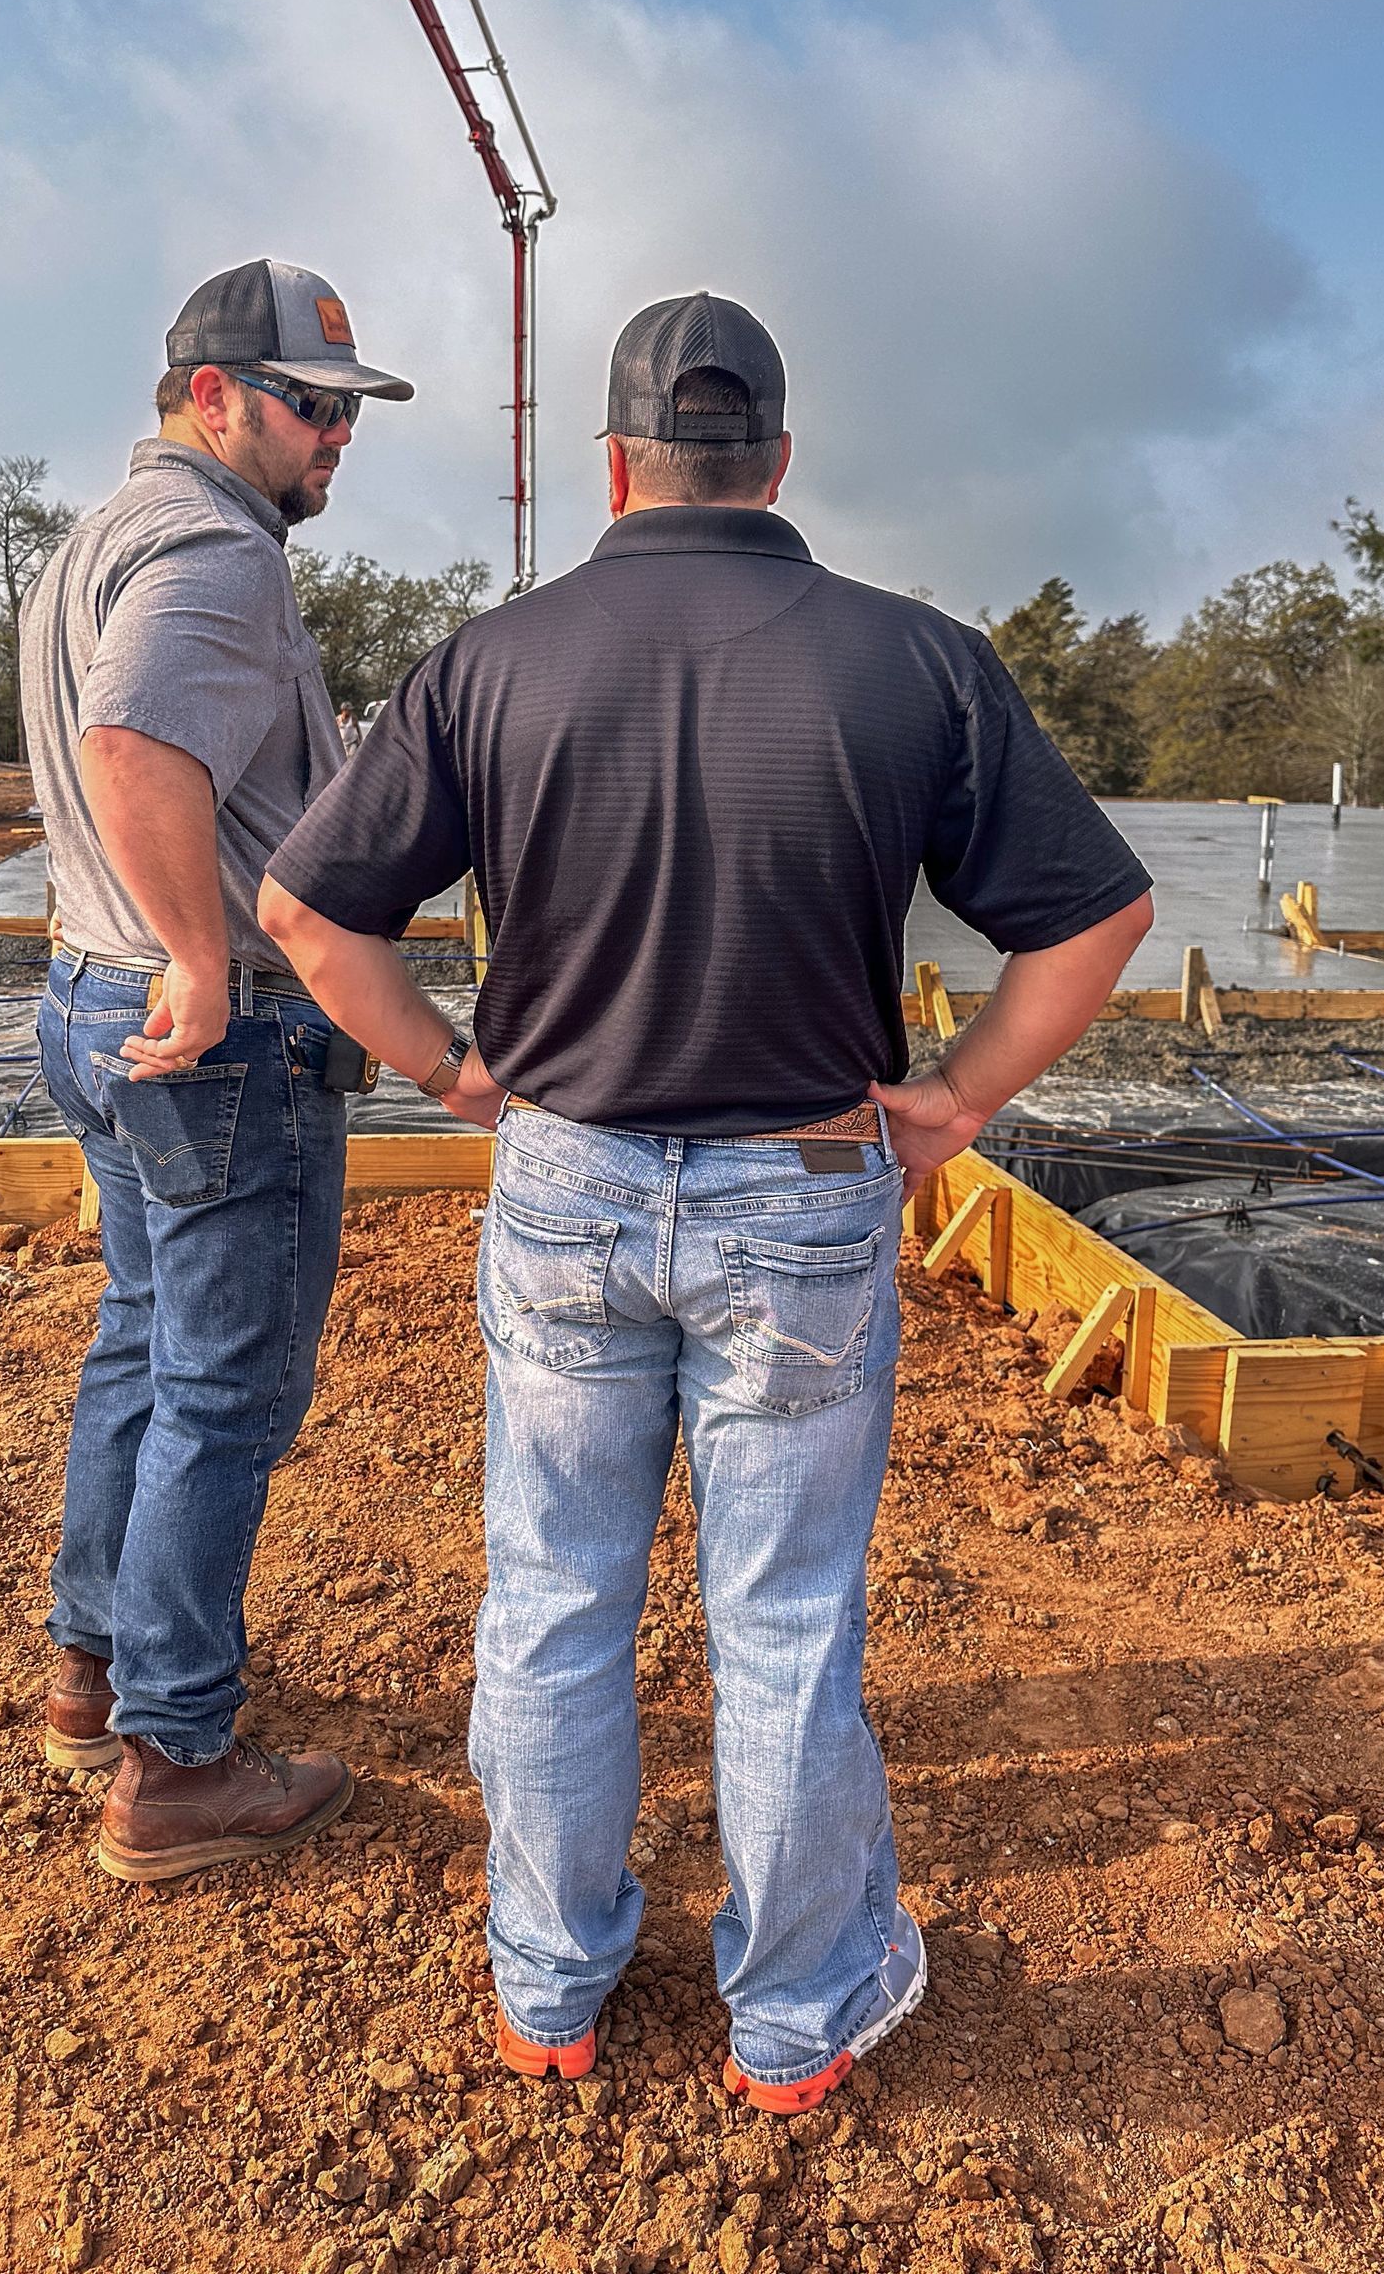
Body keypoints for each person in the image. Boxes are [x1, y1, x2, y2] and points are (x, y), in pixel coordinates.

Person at [258, 292, 1153, 2109]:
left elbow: (305, 909)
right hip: (809, 1192)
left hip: (568, 1183)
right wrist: (962, 1098)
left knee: (554, 1598)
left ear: (614, 462)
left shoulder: (493, 660)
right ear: (781, 464)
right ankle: (798, 2016)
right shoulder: (915, 660)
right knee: (786, 1621)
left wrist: (449, 1072)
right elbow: (1094, 913)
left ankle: (549, 1987)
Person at [18, 256, 415, 1883]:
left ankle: (94, 1667)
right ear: (211, 400)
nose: (337, 435)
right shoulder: (214, 549)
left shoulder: (88, 545)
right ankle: (177, 1761)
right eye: (311, 406)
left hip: (88, 1005)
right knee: (227, 1389)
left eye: (346, 410)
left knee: (142, 1338)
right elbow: (133, 746)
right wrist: (199, 951)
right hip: (206, 1036)